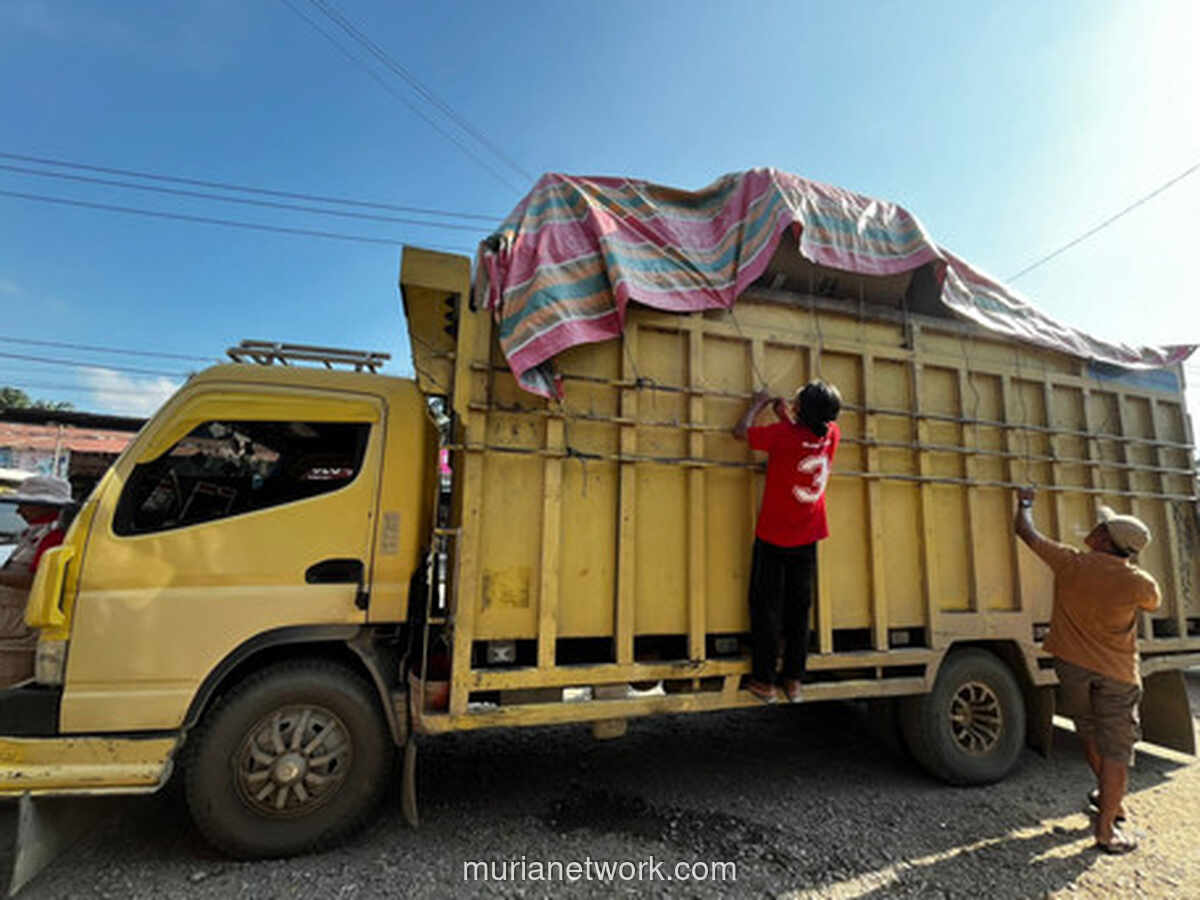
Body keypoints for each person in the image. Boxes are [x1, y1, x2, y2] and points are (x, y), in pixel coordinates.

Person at [1013, 487, 1160, 855]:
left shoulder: (1070, 563)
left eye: (1101, 527)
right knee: (1117, 748)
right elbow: (1152, 603)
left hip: (1073, 668)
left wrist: (1025, 503)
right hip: (1118, 673)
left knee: (1090, 733)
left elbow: (1026, 532)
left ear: (1106, 540)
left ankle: (1108, 816)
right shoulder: (1139, 581)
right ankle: (1109, 820)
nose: (1094, 528)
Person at [733, 380, 841, 703]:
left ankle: (764, 682)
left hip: (774, 535)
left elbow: (740, 432)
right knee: (799, 610)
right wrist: (786, 416)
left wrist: (758, 403)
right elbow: (803, 437)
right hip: (808, 534)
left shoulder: (782, 436)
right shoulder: (832, 434)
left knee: (766, 608)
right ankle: (794, 681)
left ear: (801, 410)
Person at [0, 476, 73, 683]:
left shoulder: (55, 536)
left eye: (25, 504)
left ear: (43, 505)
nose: (18, 511)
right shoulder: (34, 533)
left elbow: (38, 580)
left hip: (21, 628)